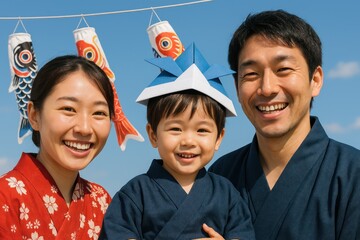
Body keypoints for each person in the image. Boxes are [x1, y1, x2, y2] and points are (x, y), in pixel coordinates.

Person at [209, 9, 360, 239]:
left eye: (283, 70)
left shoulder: (352, 174)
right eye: (250, 74)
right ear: (237, 88)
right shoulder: (220, 176)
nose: (267, 88)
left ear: (315, 80)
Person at [99, 43, 255, 239]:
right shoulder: (134, 193)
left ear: (219, 138)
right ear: (153, 135)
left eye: (202, 130)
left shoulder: (227, 194)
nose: (188, 140)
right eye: (175, 129)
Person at [0, 55, 115, 239]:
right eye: (68, 109)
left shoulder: (101, 201)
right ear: (34, 116)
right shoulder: (4, 196)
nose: (84, 128)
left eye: (99, 113)